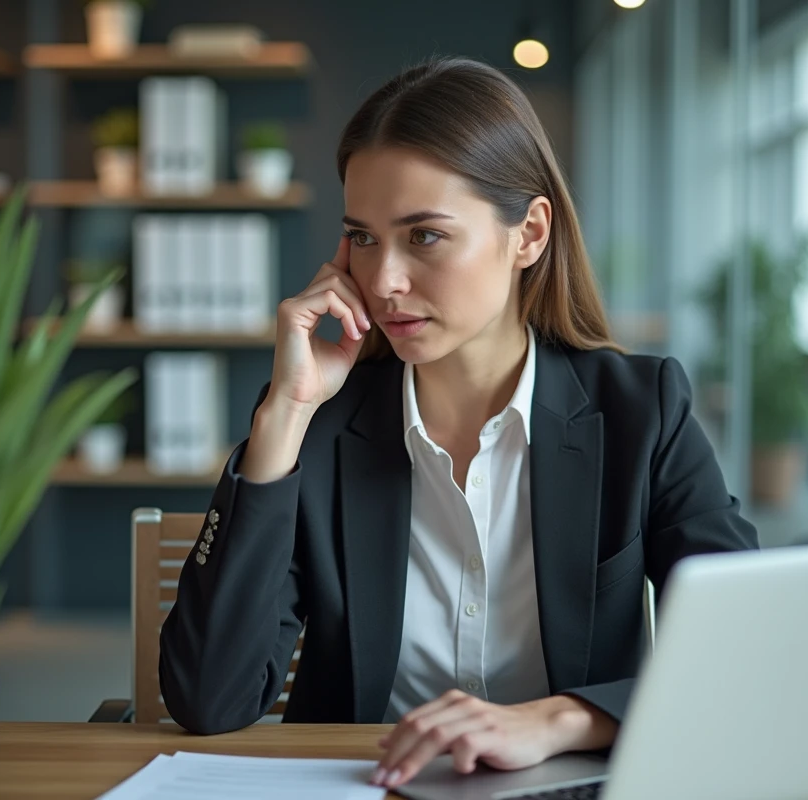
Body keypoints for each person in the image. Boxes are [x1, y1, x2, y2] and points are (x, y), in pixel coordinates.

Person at [159, 56, 758, 791]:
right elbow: (209, 700)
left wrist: (558, 720)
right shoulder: (320, 419)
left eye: (426, 237)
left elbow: (745, 649)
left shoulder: (641, 411)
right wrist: (282, 418)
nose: (383, 283)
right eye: (365, 238)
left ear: (529, 235)